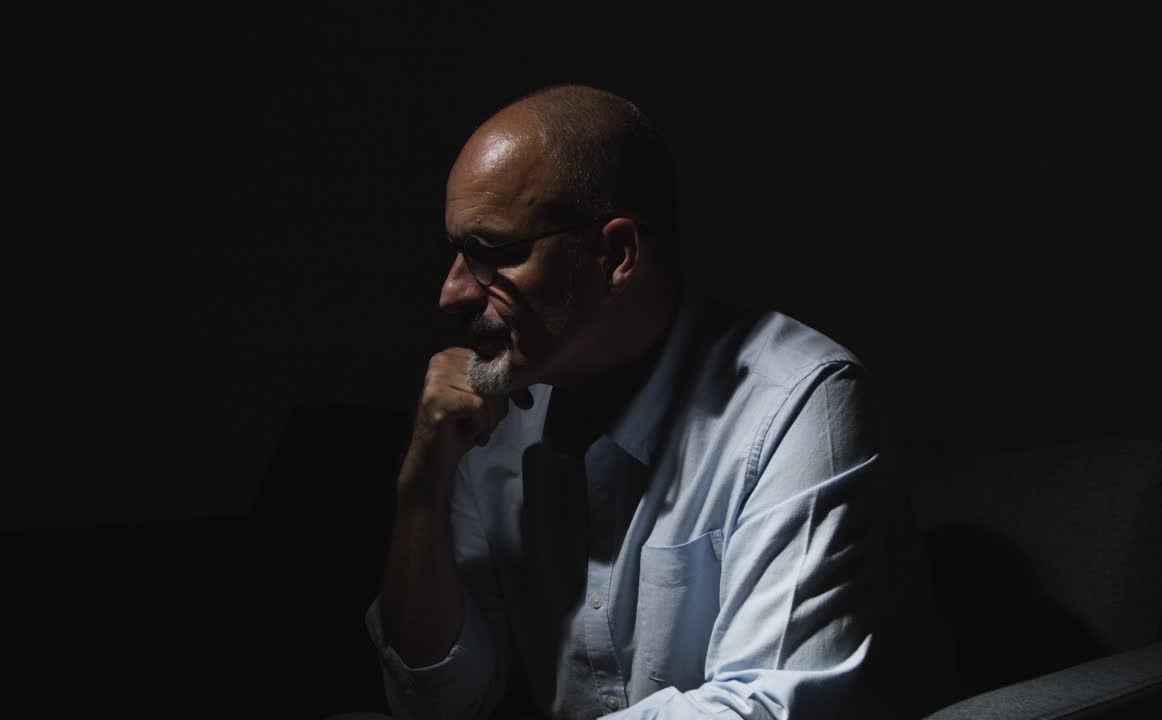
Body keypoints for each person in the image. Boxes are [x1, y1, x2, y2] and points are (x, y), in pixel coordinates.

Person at [366, 84, 949, 719]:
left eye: (495, 253)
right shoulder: (492, 414)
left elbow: (764, 710)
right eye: (455, 252)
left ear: (616, 255)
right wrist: (420, 489)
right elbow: (438, 704)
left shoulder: (801, 403)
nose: (452, 294)